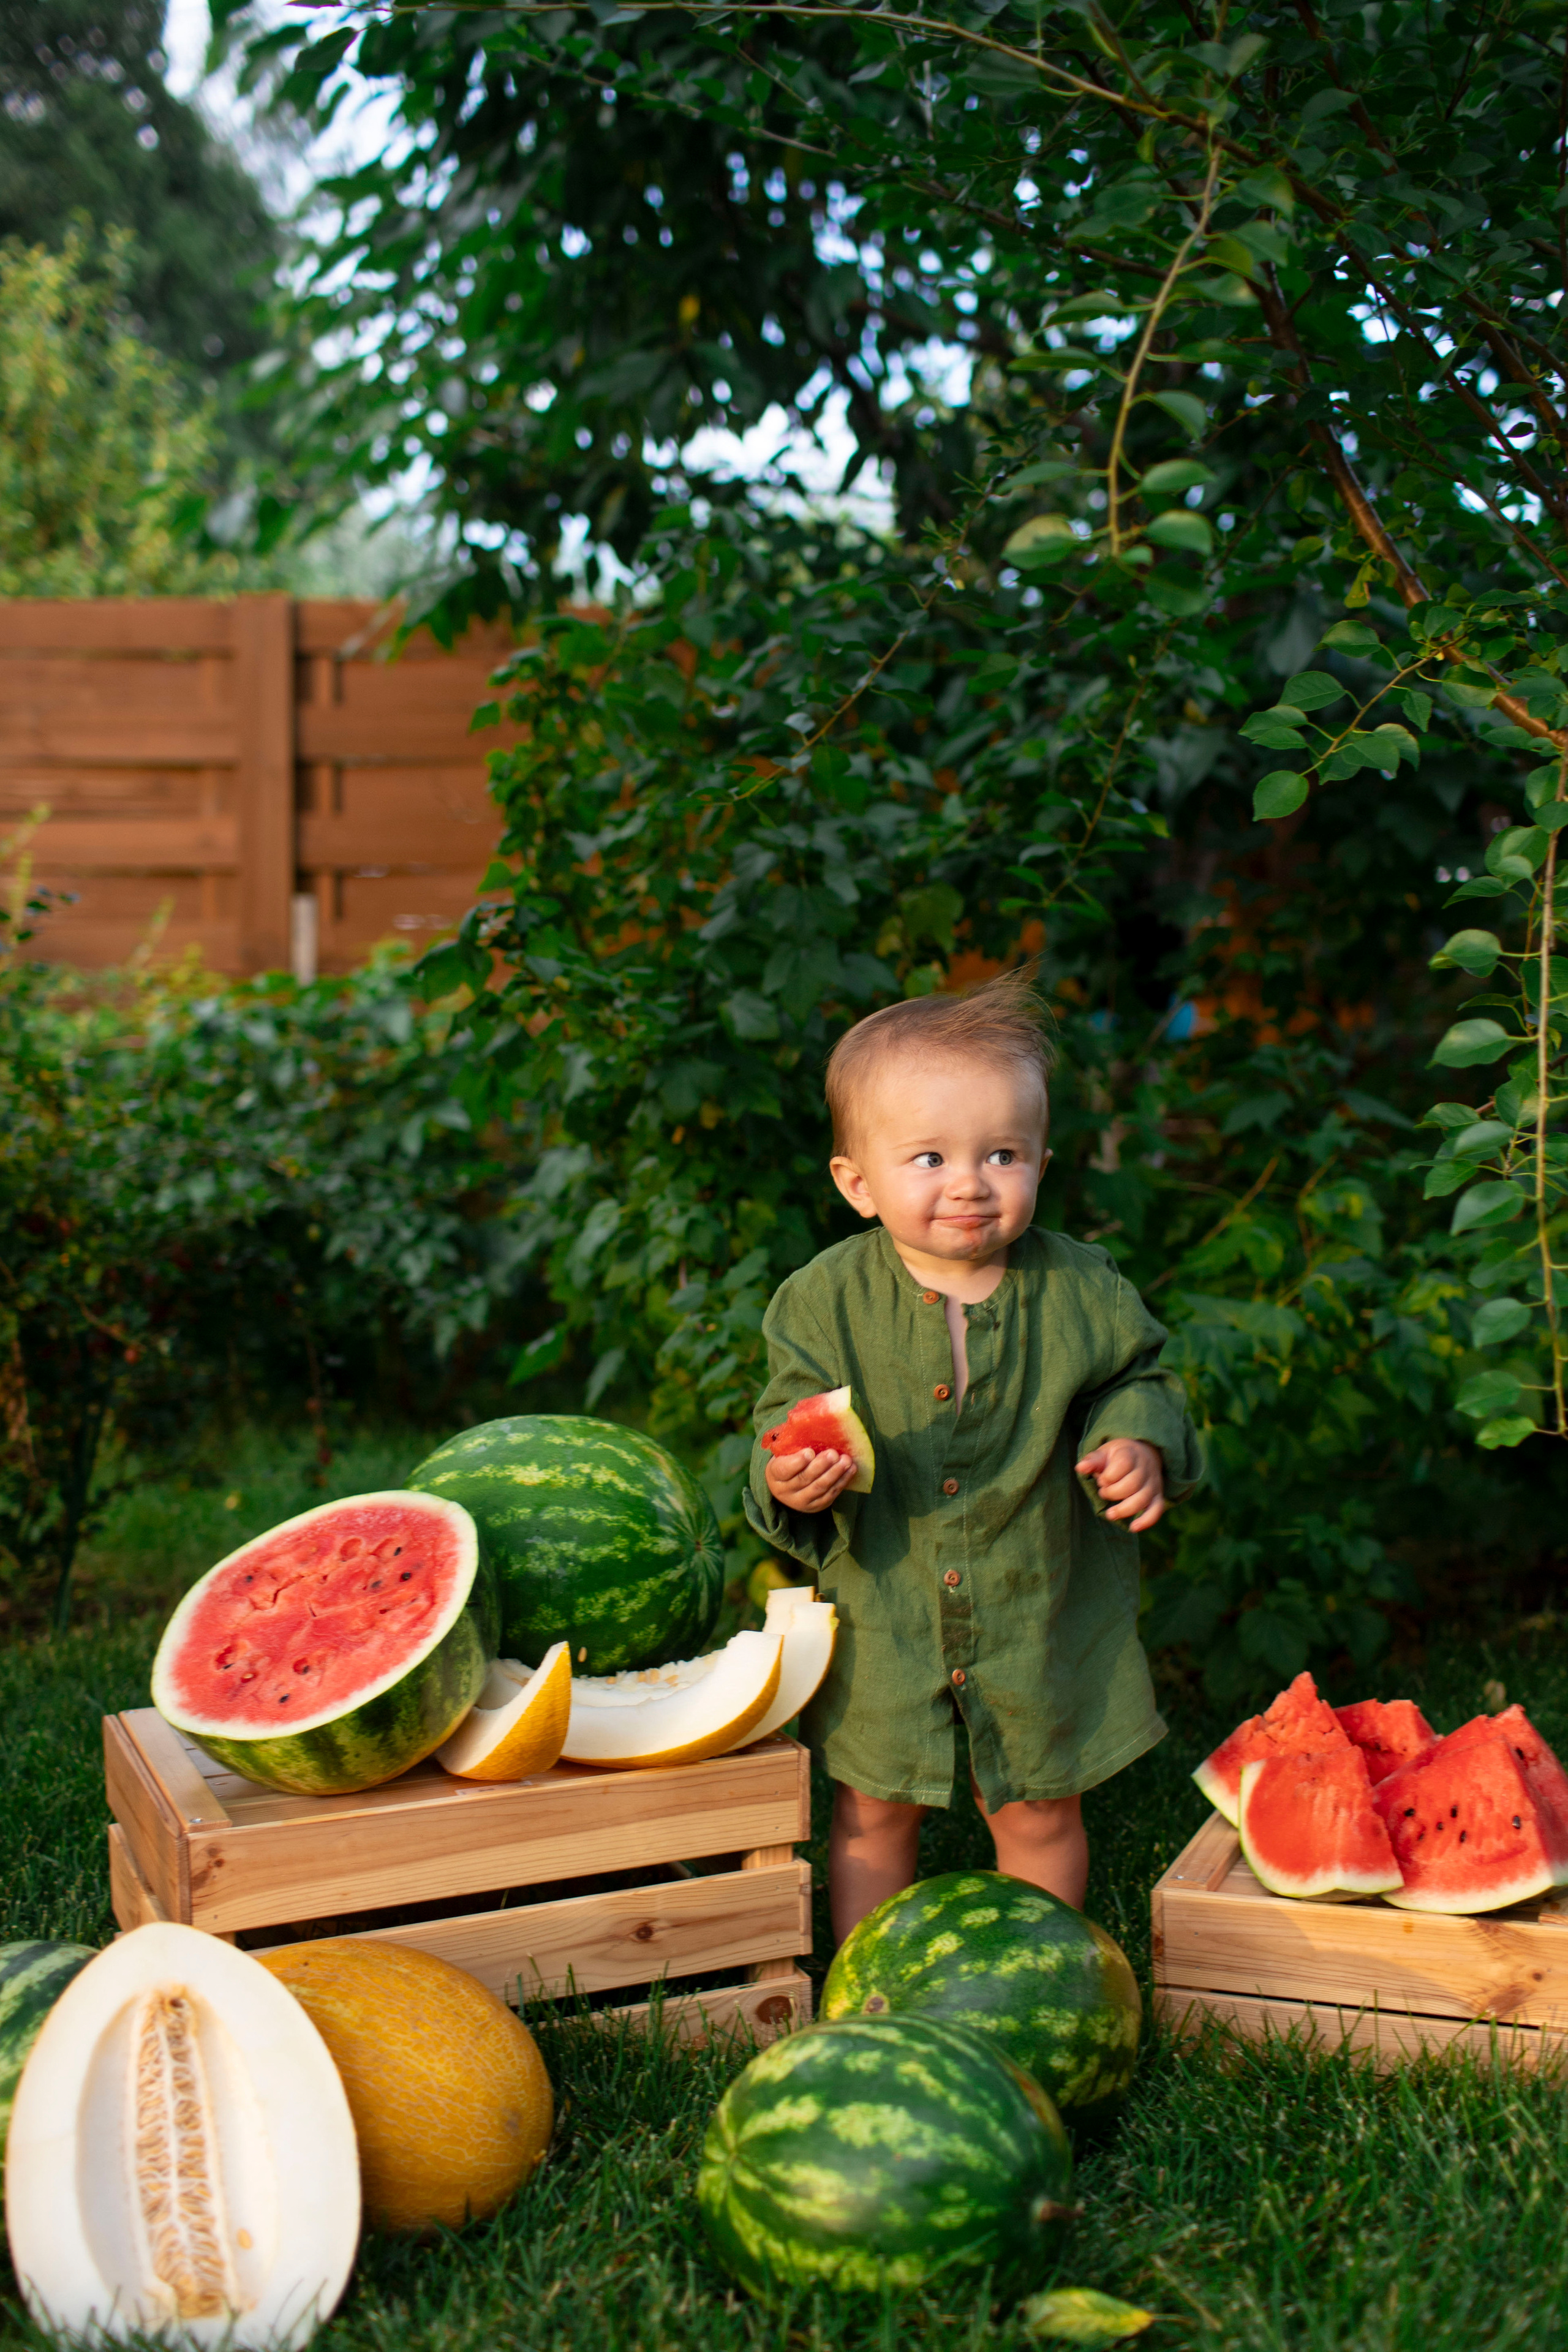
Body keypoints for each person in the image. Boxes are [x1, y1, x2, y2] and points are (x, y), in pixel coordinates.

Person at [744, 966, 1203, 1944]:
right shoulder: (822, 1300)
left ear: (1041, 1160)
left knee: (1036, 1810)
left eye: (1002, 1154)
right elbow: (786, 1419)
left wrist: (1135, 1438)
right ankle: (868, 1981)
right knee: (873, 1810)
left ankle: (1045, 1979)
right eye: (929, 1158)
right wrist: (789, 1478)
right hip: (888, 1604)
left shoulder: (1082, 1287)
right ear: (857, 1184)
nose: (969, 1182)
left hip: (1034, 1597)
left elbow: (1142, 1380)